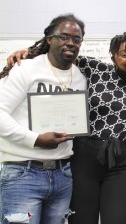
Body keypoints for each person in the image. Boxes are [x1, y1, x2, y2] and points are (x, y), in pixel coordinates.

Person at [3, 32, 126, 224]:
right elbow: (60, 53)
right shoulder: (95, 68)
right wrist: (28, 52)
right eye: (124, 54)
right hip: (84, 160)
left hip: (120, 163)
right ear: (113, 58)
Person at [0, 13, 87, 224]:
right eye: (64, 37)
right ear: (50, 39)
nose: (71, 43)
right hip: (23, 173)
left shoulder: (81, 77)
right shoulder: (26, 69)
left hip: (63, 175)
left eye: (76, 40)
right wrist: (36, 139)